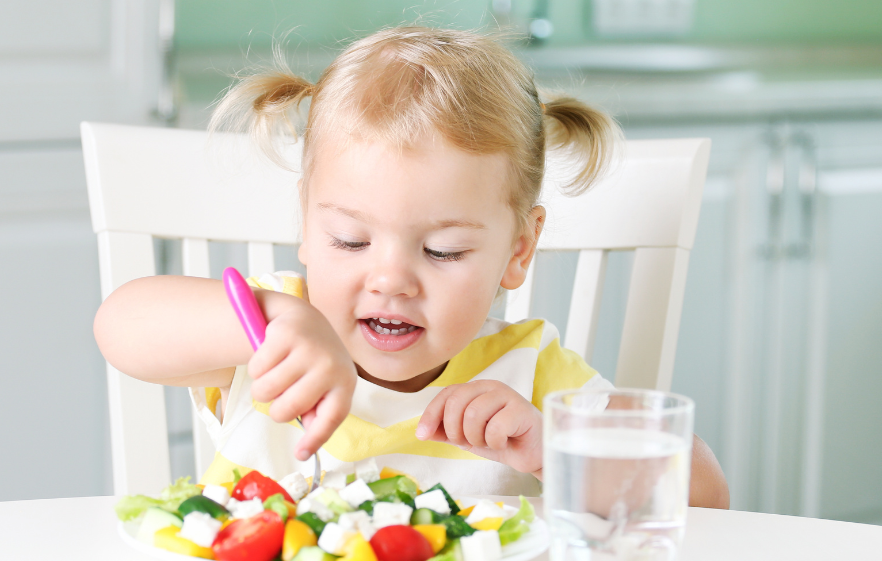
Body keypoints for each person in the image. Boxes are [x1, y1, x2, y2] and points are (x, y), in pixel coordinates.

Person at [94, 26, 729, 507]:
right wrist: (280, 319)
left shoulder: (530, 373)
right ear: (306, 228)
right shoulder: (264, 339)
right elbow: (119, 325)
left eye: (442, 251)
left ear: (518, 251)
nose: (391, 279)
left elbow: (704, 495)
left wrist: (556, 452)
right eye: (349, 239)